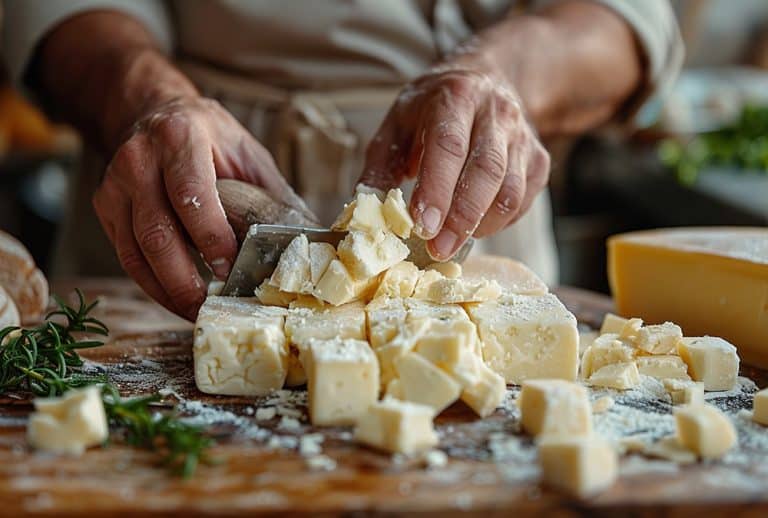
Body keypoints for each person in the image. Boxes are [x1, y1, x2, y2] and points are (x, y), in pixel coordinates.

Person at [3, 1, 682, 320]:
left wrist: (499, 74)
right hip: (173, 202)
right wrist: (146, 98)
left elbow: (626, 25)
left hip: (456, 229)